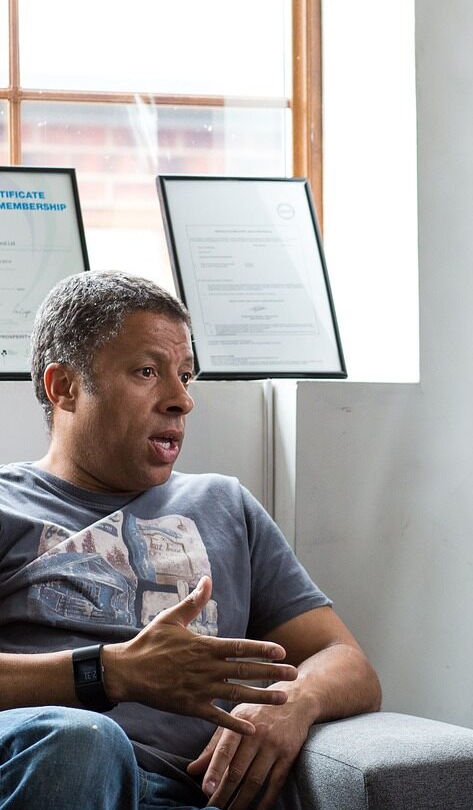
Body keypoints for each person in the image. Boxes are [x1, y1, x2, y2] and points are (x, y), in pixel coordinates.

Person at [0, 270, 381, 810]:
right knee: (84, 741)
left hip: (196, 794)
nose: (181, 400)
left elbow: (344, 659)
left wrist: (295, 699)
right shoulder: (6, 504)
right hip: (58, 772)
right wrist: (109, 673)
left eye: (185, 375)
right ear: (64, 387)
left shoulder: (224, 505)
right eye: (148, 371)